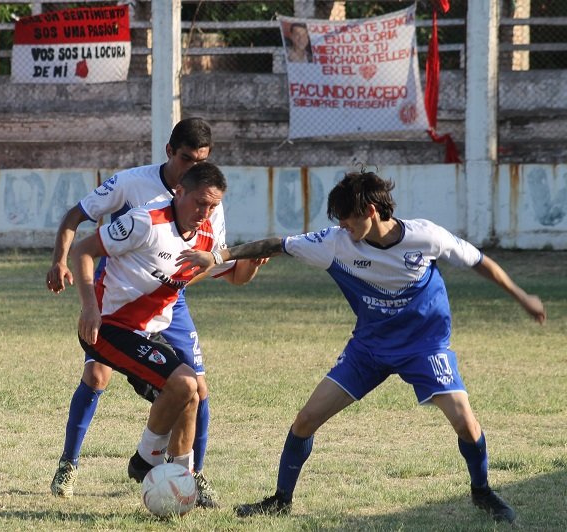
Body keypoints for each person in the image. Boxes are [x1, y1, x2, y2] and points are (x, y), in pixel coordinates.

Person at [177, 170, 546, 523]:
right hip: (369, 349)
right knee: (306, 420)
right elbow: (277, 244)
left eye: (348, 219)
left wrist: (521, 295)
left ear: (371, 211)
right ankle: (280, 500)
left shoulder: (427, 237)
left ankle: (482, 491)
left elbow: (480, 262)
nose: (342, 227)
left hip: (425, 347)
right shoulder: (336, 244)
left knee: (465, 422)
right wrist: (220, 256)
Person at [47, 118, 225, 507]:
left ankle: (189, 479)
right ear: (169, 153)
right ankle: (73, 463)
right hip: (118, 304)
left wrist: (235, 267)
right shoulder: (135, 189)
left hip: (167, 302)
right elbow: (78, 222)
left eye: (201, 162)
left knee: (196, 389)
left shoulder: (207, 204)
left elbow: (211, 264)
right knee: (97, 375)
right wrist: (63, 263)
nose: (193, 168)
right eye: (186, 159)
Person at [71, 162, 262, 486]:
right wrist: (89, 307)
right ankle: (145, 462)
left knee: (193, 393)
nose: (205, 211)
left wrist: (252, 264)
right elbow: (82, 250)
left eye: (213, 205)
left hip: (148, 332)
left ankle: (178, 481)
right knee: (185, 383)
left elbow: (234, 277)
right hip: (108, 327)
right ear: (179, 191)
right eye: (199, 202)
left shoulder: (205, 239)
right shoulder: (145, 222)